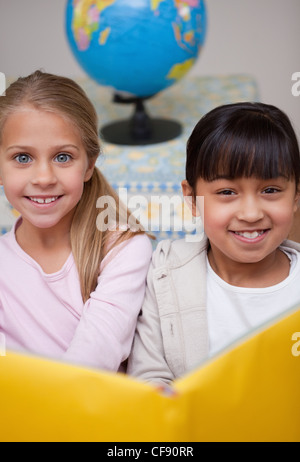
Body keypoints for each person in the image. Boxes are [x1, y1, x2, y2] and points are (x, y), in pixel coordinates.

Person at [127, 102, 300, 385]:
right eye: (227, 192)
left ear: (295, 196)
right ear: (193, 198)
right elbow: (149, 376)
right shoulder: (165, 272)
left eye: (270, 190)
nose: (251, 213)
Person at [0, 70, 153, 371]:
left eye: (62, 157)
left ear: (88, 165)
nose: (43, 178)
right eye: (22, 158)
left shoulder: (124, 248)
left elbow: (92, 360)